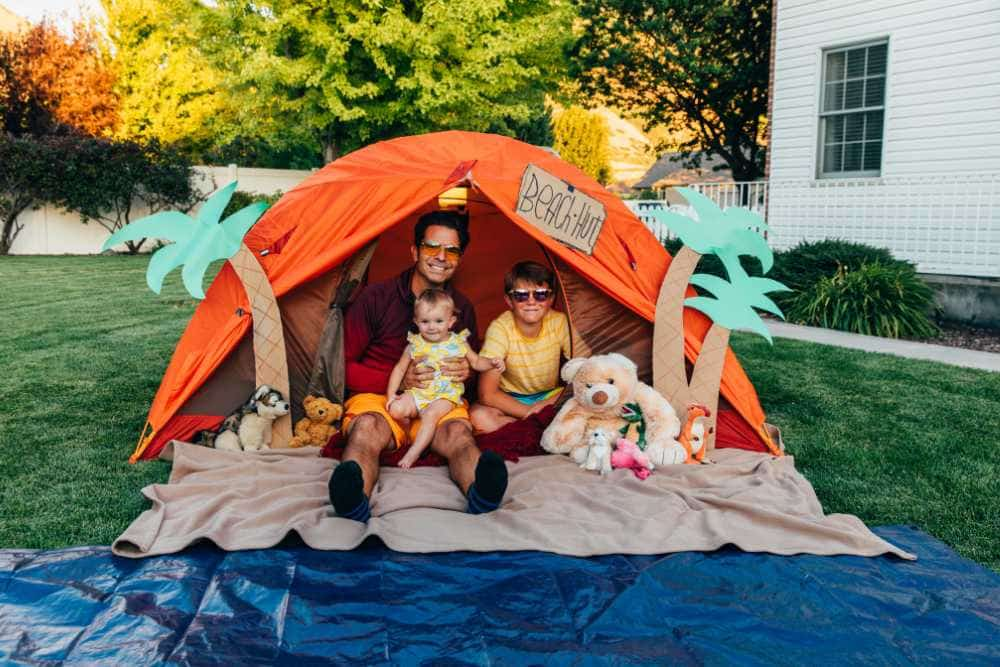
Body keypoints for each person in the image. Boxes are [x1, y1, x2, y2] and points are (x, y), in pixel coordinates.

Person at [329, 211, 510, 522]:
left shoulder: (461, 308)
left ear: (460, 258)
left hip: (438, 399)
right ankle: (352, 500)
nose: (441, 257)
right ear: (414, 251)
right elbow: (341, 367)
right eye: (431, 247)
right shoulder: (375, 298)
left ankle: (482, 493)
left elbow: (470, 369)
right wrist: (398, 382)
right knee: (367, 428)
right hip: (384, 399)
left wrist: (466, 374)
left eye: (451, 250)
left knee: (458, 432)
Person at [386, 288, 505, 468]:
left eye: (439, 321)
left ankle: (413, 453)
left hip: (445, 396)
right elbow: (399, 368)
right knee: (395, 409)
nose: (432, 327)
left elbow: (476, 362)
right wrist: (391, 395)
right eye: (425, 321)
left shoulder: (458, 342)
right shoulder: (414, 344)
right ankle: (409, 429)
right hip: (419, 393)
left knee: (431, 415)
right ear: (416, 322)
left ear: (451, 322)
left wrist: (492, 363)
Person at [469, 261, 572, 434]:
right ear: (509, 301)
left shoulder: (559, 322)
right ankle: (539, 430)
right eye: (521, 296)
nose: (531, 301)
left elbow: (582, 371)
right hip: (510, 398)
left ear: (551, 299)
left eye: (540, 295)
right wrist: (531, 414)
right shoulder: (500, 328)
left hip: (548, 396)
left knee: (579, 397)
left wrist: (542, 406)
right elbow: (487, 394)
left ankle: (524, 431)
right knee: (478, 417)